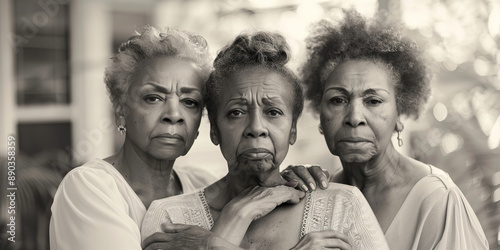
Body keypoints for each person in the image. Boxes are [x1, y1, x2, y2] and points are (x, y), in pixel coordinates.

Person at [49, 26, 327, 250]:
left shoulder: (201, 184)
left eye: (190, 102)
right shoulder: (89, 188)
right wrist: (220, 236)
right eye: (153, 97)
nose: (174, 114)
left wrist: (286, 179)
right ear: (121, 110)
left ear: (202, 124)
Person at [141, 30, 389, 250]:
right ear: (214, 130)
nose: (256, 128)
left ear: (292, 130)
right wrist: (236, 215)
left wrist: (213, 245)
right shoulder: (169, 218)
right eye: (236, 112)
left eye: (273, 112)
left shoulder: (342, 206)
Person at [298, 9, 488, 249]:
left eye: (373, 101)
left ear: (400, 115)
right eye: (338, 100)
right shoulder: (319, 196)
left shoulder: (436, 199)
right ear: (320, 115)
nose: (355, 117)